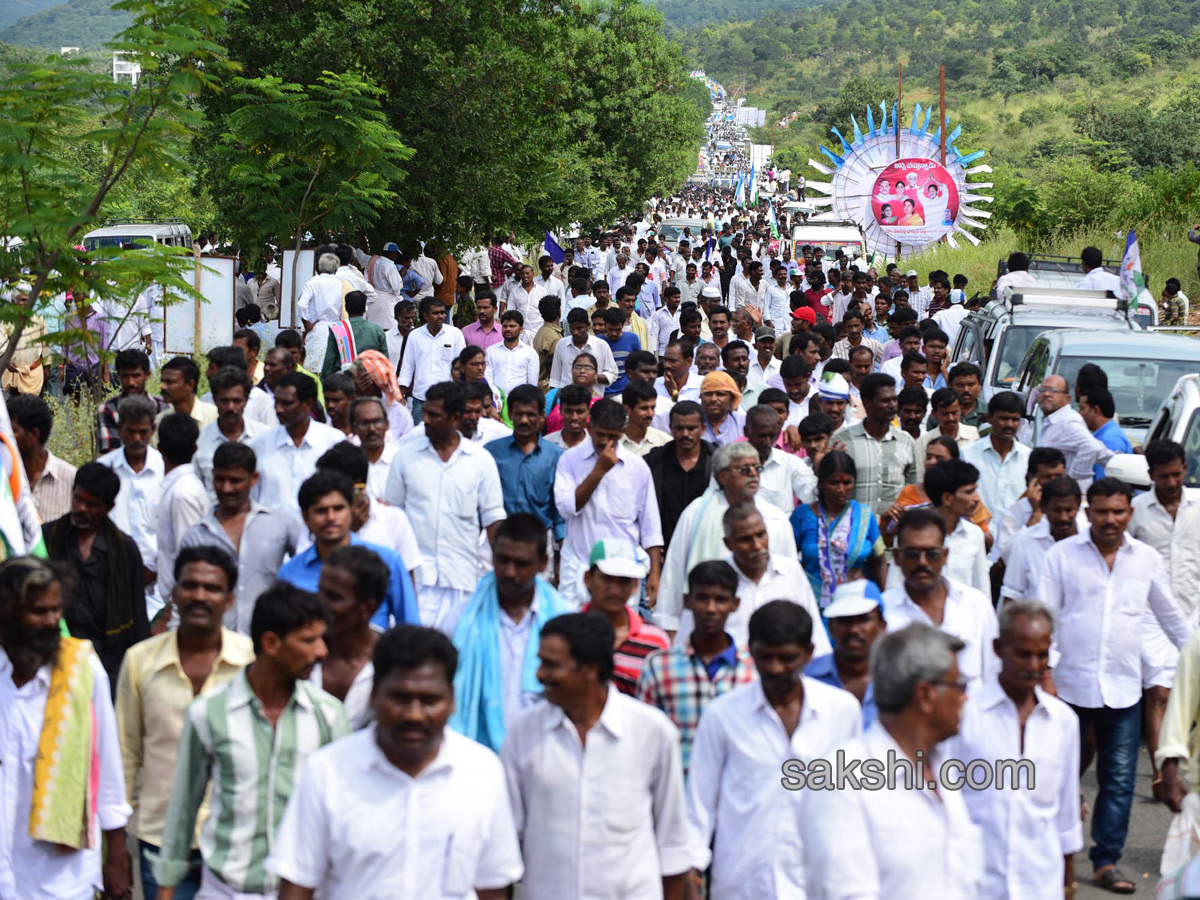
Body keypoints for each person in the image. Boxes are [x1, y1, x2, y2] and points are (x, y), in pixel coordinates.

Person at [271, 624, 523, 900]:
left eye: (429, 700)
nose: (414, 715)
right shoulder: (327, 772)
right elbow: (297, 886)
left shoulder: (482, 772)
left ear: (451, 700)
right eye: (400, 698)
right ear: (374, 694)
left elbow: (493, 888)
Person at [1039, 477, 1192, 892]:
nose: (1110, 519)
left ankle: (1106, 861)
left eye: (1118, 512)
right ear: (1089, 513)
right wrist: (1046, 676)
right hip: (1066, 687)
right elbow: (1045, 619)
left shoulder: (1144, 559)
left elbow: (1172, 617)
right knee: (1057, 775)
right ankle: (1051, 856)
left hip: (1123, 688)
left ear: (1130, 514)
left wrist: (1194, 659)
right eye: (1102, 511)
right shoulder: (1060, 557)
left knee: (1120, 779)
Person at [155, 583, 349, 899]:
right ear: (271, 643)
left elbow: (343, 811)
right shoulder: (208, 713)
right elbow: (183, 808)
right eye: (309, 640)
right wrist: (166, 890)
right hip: (225, 889)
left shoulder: (328, 716)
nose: (321, 651)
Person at [499, 612, 692, 900]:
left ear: (589, 670)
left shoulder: (652, 732)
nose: (539, 675)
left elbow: (673, 845)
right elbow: (504, 842)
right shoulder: (523, 733)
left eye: (551, 665)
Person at [686, 600, 860, 900]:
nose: (775, 668)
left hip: (818, 881)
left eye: (787, 658)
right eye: (765, 658)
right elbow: (698, 802)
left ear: (808, 653)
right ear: (751, 650)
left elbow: (854, 797)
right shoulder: (723, 715)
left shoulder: (842, 711)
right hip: (743, 882)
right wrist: (690, 870)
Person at [800, 623, 984, 899]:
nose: (965, 698)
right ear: (924, 696)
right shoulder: (843, 780)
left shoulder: (942, 770)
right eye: (958, 686)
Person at [116, 546, 253, 900]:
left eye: (212, 588)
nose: (199, 596)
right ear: (174, 594)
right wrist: (113, 844)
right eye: (190, 586)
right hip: (159, 838)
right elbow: (125, 754)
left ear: (230, 599)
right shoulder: (140, 661)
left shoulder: (252, 663)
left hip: (235, 843)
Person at [0, 556, 134, 900]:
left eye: (56, 610)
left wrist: (116, 854)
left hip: (60, 879)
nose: (52, 622)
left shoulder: (83, 670)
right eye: (39, 612)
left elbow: (107, 767)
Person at [939, 599, 1084, 900]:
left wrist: (1068, 884)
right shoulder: (964, 715)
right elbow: (940, 800)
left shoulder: (1063, 722)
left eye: (1041, 656)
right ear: (997, 648)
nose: (1033, 666)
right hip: (976, 884)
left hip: (1039, 884)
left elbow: (1066, 814)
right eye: (1022, 655)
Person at [385, 381, 506, 629]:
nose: (425, 420)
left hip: (464, 580)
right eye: (425, 412)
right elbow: (393, 519)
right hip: (416, 582)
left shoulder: (481, 461)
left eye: (434, 415)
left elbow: (494, 521)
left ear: (454, 418)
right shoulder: (405, 457)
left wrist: (503, 575)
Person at [636, 560, 756, 774]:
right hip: (678, 795)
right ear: (687, 601)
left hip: (736, 795)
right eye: (702, 598)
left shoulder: (753, 670)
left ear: (735, 604)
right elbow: (644, 738)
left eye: (720, 600)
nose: (711, 609)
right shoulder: (659, 667)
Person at [1131, 440, 1200, 796]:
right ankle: (1162, 773)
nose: (1171, 483)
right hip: (1151, 616)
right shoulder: (1137, 510)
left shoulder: (1199, 507)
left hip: (1195, 610)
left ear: (1184, 471)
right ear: (1150, 475)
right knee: (1159, 691)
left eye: (1176, 475)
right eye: (1163, 477)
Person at [180, 442, 304, 634]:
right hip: (216, 645)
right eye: (220, 480)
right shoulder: (196, 535)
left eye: (235, 480)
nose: (226, 488)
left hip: (269, 641)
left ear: (254, 478)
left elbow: (308, 565)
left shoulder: (282, 523)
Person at [44, 463, 148, 687]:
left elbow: (138, 615)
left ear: (108, 507)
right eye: (78, 499)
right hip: (53, 656)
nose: (81, 508)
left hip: (108, 663)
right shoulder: (48, 538)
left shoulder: (125, 550)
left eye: (91, 504)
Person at [553, 398, 663, 609]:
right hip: (579, 565)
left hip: (623, 570)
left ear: (622, 432)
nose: (604, 442)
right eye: (600, 434)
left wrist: (655, 575)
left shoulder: (637, 468)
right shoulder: (569, 460)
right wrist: (598, 472)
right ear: (589, 427)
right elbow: (566, 508)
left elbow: (651, 527)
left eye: (612, 436)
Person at [279, 469, 419, 630]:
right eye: (321, 511)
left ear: (351, 511)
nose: (331, 517)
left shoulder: (387, 561)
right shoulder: (289, 573)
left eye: (338, 508)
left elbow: (411, 627)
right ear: (305, 517)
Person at [883, 508, 999, 689]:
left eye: (931, 554)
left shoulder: (977, 606)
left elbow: (993, 677)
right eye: (913, 554)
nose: (922, 562)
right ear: (897, 557)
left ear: (945, 556)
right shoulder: (882, 612)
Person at [306, 544, 387, 728]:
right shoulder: (300, 651)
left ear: (367, 608)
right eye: (320, 591)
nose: (320, 602)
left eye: (333, 597)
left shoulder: (393, 663)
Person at [580, 538, 670, 694]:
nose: (614, 590)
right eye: (607, 579)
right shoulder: (567, 633)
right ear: (588, 579)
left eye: (623, 581)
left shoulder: (656, 641)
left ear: (635, 585)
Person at [249, 372, 344, 512]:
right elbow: (252, 497)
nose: (278, 409)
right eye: (277, 402)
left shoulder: (333, 442)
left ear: (308, 404)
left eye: (287, 403)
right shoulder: (260, 444)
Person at [833, 372, 917, 518]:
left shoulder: (906, 441)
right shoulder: (842, 441)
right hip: (854, 531)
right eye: (885, 401)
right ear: (867, 403)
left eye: (894, 400)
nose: (892, 406)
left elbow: (913, 488)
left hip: (894, 532)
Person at [805, 580, 886, 727]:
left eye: (863, 620)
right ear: (831, 627)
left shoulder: (901, 679)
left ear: (882, 626)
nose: (854, 629)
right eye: (845, 620)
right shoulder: (808, 677)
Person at [153, 413, 209, 605]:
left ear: (159, 448)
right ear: (195, 449)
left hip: (180, 606)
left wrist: (173, 613)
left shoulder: (183, 494)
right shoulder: (178, 488)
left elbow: (190, 557)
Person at [1000, 476, 1082, 606]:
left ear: (1078, 506)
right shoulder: (1026, 539)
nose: (1064, 517)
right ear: (1043, 507)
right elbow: (1012, 593)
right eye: (1057, 510)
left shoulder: (1091, 539)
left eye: (1069, 510)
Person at [645, 401, 715, 550]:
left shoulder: (718, 462)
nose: (685, 434)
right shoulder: (654, 463)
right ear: (670, 429)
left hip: (707, 548)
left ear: (702, 429)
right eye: (679, 428)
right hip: (665, 550)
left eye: (691, 428)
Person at [962, 391, 1031, 535]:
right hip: (977, 540)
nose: (1009, 425)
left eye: (1015, 419)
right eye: (1003, 418)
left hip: (1014, 542)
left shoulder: (1028, 458)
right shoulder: (967, 455)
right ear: (989, 418)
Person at [193, 366, 266, 499]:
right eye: (224, 401)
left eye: (237, 401)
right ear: (215, 400)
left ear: (246, 401)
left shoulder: (264, 437)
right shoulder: (200, 442)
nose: (230, 407)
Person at [1034, 374, 1114, 492]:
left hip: (1067, 498)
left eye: (1053, 391)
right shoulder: (1052, 420)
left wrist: (1073, 479)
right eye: (1042, 390)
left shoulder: (1068, 421)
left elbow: (1092, 447)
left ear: (1067, 398)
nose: (1046, 394)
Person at [8, 394, 76, 524]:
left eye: (13, 432)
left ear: (34, 435)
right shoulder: (4, 477)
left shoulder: (71, 479)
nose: (5, 438)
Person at [924, 458, 990, 594]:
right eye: (969, 492)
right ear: (947, 498)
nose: (977, 499)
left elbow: (982, 588)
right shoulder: (912, 534)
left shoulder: (974, 534)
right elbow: (895, 586)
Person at [398, 297, 466, 424]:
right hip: (421, 398)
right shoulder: (414, 336)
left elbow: (461, 366)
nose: (440, 316)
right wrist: (400, 395)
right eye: (435, 313)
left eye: (442, 312)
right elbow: (407, 367)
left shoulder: (455, 334)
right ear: (425, 315)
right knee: (420, 436)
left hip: (448, 397)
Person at [997, 446, 1069, 561]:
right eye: (1047, 477)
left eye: (1058, 476)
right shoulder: (1015, 511)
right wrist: (1036, 514)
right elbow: (1008, 555)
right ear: (1032, 478)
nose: (1054, 482)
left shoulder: (1078, 509)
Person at [741, 403, 816, 512]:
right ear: (746, 432)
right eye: (762, 436)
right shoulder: (730, 464)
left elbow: (813, 496)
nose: (767, 442)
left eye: (772, 436)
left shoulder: (791, 463)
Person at [96, 349, 170, 454]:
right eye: (125, 376)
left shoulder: (164, 407)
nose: (131, 382)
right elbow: (112, 453)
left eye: (136, 376)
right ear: (119, 376)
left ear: (147, 375)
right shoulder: (108, 410)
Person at [319, 289, 388, 378]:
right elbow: (384, 361)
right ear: (364, 308)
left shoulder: (338, 330)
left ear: (346, 308)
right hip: (370, 383)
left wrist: (324, 383)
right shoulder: (377, 330)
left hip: (344, 384)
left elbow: (329, 362)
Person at [914, 388, 980, 477]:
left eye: (954, 413)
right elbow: (920, 475)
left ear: (960, 410)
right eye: (945, 414)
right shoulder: (923, 442)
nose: (951, 418)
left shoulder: (973, 434)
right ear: (934, 414)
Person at [1079, 386, 1132, 482]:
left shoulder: (1109, 440)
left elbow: (1103, 485)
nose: (1079, 413)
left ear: (1095, 410)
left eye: (1082, 408)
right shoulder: (1106, 435)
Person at [486, 309, 540, 395]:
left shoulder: (530, 353)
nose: (508, 329)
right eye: (505, 326)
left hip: (520, 403)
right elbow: (488, 379)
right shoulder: (491, 351)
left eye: (512, 326)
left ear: (521, 329)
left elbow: (532, 384)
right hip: (496, 401)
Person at [621, 382, 670, 457]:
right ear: (628, 409)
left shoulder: (664, 442)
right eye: (644, 408)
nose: (650, 414)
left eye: (653, 408)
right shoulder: (613, 443)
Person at [699, 370, 746, 446]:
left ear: (732, 398)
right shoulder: (692, 423)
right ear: (701, 397)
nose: (713, 399)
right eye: (708, 394)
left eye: (720, 394)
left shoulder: (743, 423)